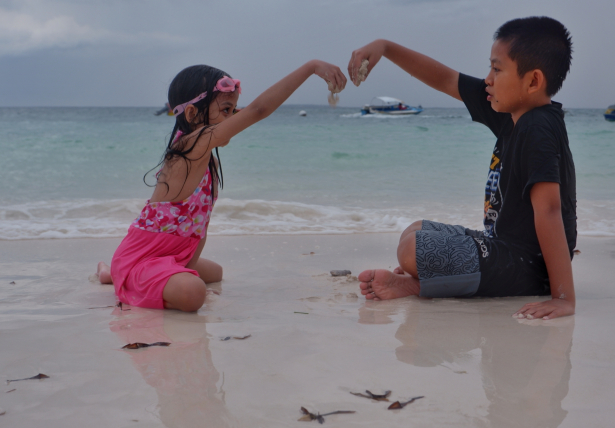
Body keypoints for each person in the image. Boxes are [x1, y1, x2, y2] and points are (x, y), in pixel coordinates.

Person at [351, 16, 576, 320]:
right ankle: (422, 282)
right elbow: (445, 79)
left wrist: (563, 297)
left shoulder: (538, 128)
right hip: (503, 247)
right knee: (414, 230)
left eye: (497, 69)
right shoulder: (512, 113)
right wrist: (385, 48)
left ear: (533, 81)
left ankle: (420, 285)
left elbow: (549, 211)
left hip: (529, 268)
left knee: (411, 250)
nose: (488, 79)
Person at [97, 61, 346, 312]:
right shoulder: (190, 147)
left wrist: (187, 266)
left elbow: (200, 227)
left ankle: (117, 273)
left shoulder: (208, 161)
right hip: (145, 257)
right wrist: (310, 67)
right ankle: (122, 275)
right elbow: (258, 110)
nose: (233, 118)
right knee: (193, 292)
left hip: (176, 255)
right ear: (193, 114)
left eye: (234, 110)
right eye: (226, 110)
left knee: (215, 273)